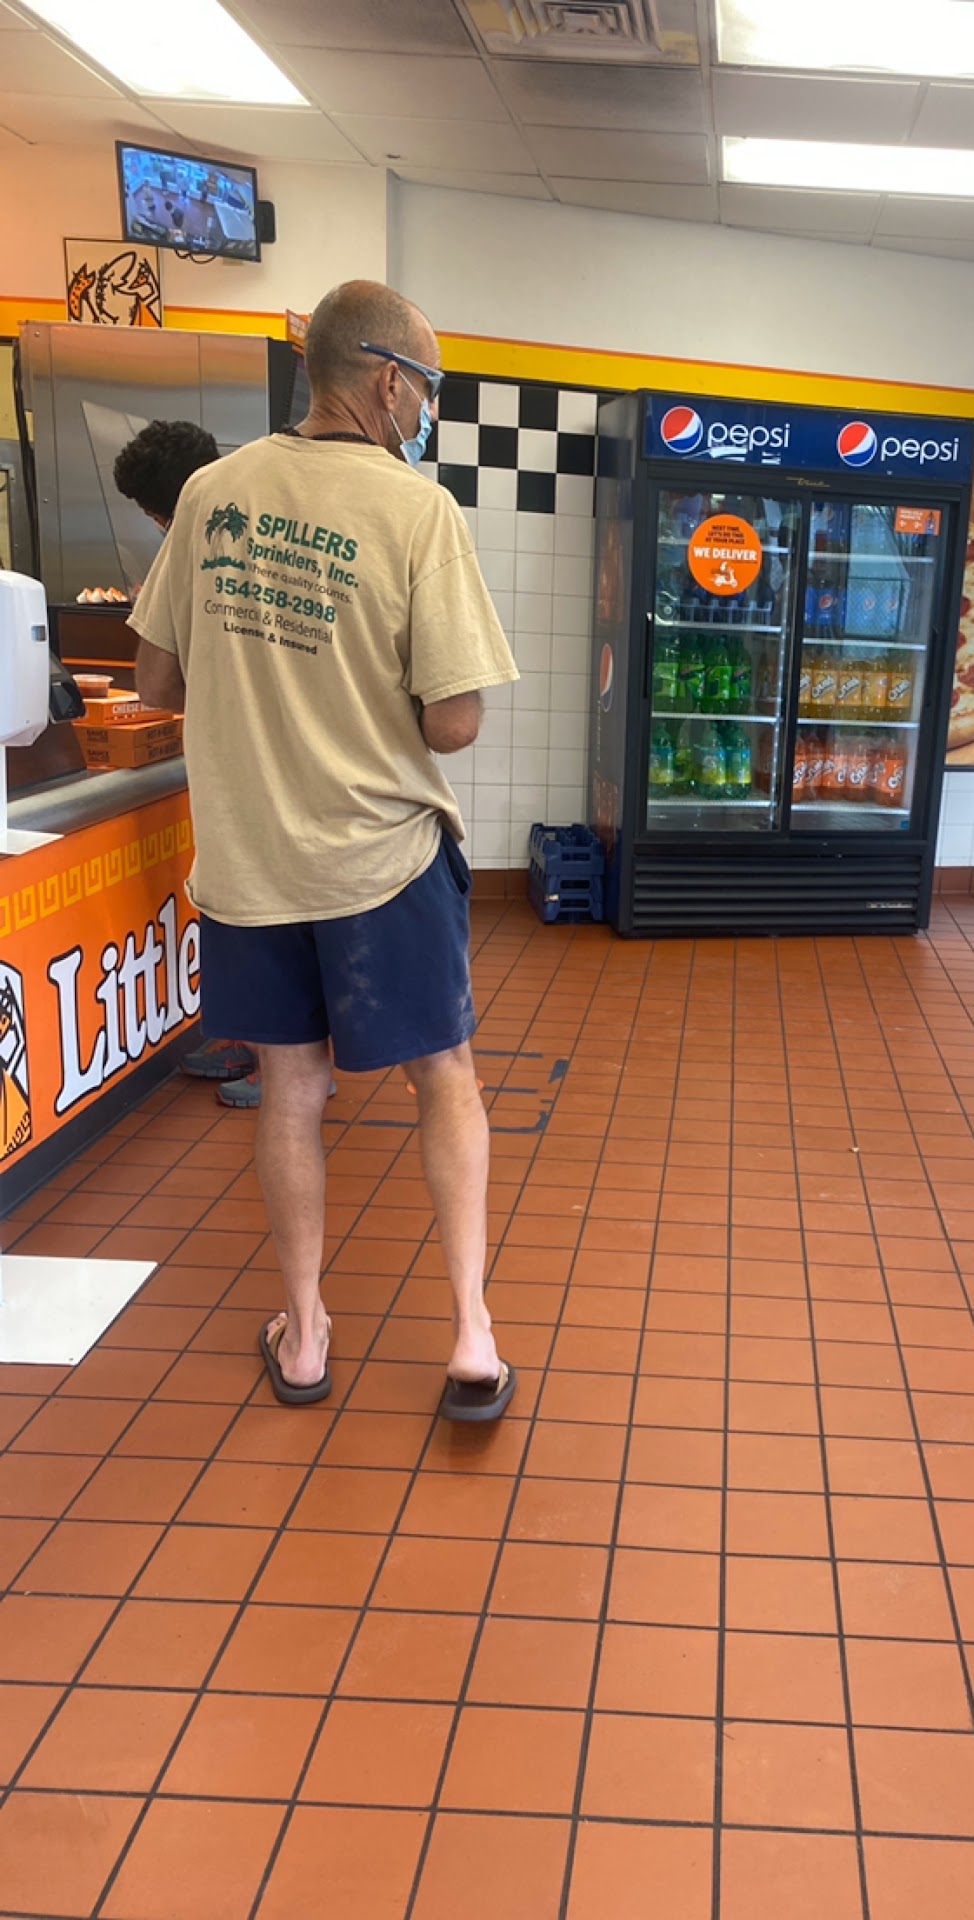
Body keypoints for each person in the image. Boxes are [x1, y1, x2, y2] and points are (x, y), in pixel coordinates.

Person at [131, 279, 520, 1421]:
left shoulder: (210, 492)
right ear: (390, 382)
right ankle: (471, 1335)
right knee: (443, 1079)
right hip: (381, 861)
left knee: (290, 1091)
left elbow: (155, 683)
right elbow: (455, 720)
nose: (428, 408)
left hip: (251, 866)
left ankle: (304, 1337)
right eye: (429, 387)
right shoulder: (416, 511)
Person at [113, 420, 264, 1104]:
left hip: (239, 765)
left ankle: (278, 1062)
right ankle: (273, 1052)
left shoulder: (192, 543)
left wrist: (217, 694)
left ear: (160, 511)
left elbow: (154, 684)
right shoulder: (275, 523)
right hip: (301, 769)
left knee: (254, 916)